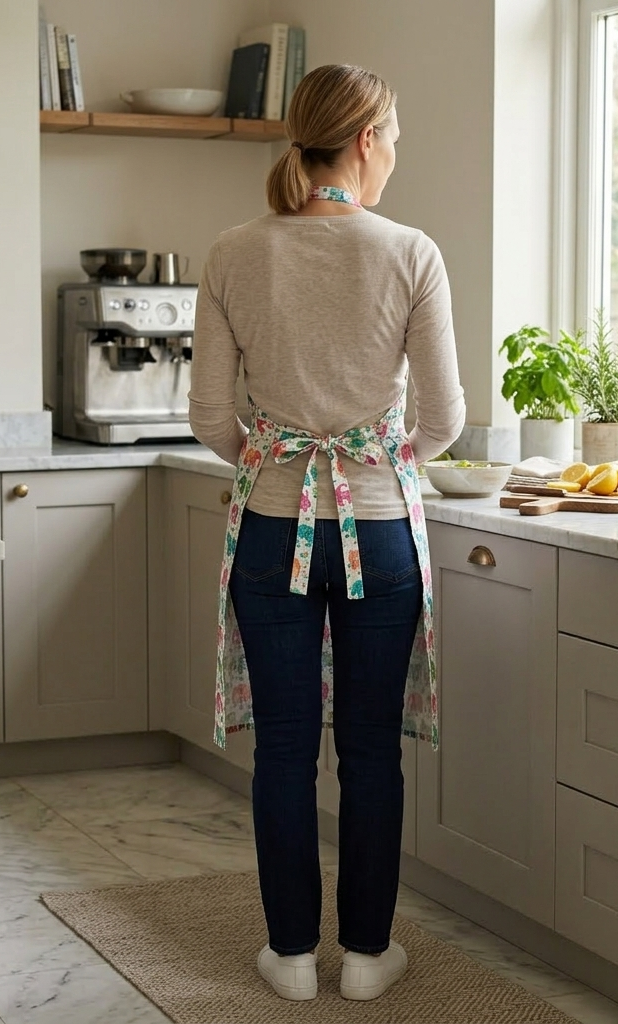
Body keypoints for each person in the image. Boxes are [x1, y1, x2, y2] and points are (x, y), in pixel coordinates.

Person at [189, 63, 465, 1003]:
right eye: (392, 139)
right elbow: (447, 420)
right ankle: (369, 959)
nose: (392, 157)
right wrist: (376, 455)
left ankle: (293, 958)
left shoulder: (232, 250)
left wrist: (277, 455)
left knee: (282, 748)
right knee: (371, 750)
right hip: (380, 532)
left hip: (273, 527)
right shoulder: (411, 251)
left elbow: (208, 417)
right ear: (364, 140)